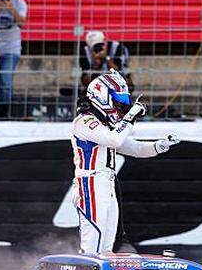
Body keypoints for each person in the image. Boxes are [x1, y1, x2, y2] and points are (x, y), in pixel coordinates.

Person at [71, 70, 179, 254]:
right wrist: (131, 117)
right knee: (92, 246)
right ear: (102, 95)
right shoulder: (85, 121)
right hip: (90, 182)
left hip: (105, 183)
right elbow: (115, 140)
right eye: (116, 101)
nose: (120, 106)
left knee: (106, 247)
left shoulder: (106, 127)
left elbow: (134, 148)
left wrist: (159, 146)